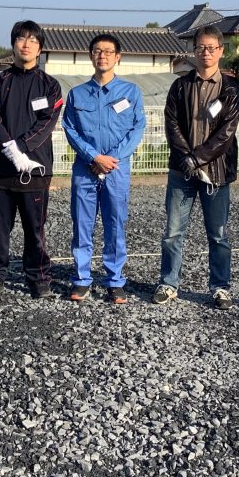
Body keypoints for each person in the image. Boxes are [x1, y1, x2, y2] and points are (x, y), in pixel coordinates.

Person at [154, 26, 239, 309]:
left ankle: (220, 286)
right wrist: (187, 158)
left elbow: (226, 134)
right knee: (173, 232)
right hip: (182, 171)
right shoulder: (180, 86)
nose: (206, 52)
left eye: (211, 47)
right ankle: (169, 283)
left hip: (216, 173)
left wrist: (198, 158)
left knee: (218, 234)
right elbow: (172, 124)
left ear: (221, 51)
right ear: (193, 51)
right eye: (200, 47)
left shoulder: (231, 89)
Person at [0, 20, 63, 299]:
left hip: (36, 170)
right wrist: (10, 150)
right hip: (1, 170)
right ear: (13, 43)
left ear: (40, 48)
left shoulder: (50, 86)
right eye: (21, 38)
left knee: (35, 229)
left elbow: (47, 122)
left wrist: (22, 147)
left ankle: (38, 278)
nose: (26, 44)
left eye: (33, 40)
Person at [62, 33, 145, 303]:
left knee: (115, 224)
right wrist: (93, 156)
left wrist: (112, 159)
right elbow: (70, 129)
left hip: (116, 170)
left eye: (108, 51)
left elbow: (137, 128)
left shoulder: (131, 92)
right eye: (98, 51)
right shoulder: (77, 94)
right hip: (85, 169)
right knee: (82, 224)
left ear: (117, 57)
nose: (103, 56)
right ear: (91, 56)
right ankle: (81, 279)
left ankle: (114, 280)